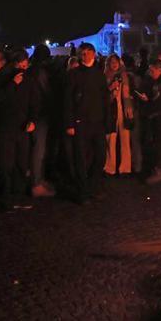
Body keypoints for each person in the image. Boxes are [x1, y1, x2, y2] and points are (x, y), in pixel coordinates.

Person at [63, 43, 111, 203]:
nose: (84, 56)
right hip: (80, 122)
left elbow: (105, 99)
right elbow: (68, 101)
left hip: (97, 122)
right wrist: (69, 123)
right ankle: (83, 192)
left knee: (100, 157)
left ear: (93, 54)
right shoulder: (73, 74)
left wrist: (107, 122)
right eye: (81, 54)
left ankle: (91, 186)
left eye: (87, 53)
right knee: (81, 159)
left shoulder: (99, 74)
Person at [0, 49, 37, 204]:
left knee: (21, 161)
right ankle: (6, 194)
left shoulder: (29, 80)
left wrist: (32, 120)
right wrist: (12, 84)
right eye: (20, 65)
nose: (23, 69)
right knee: (6, 162)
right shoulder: (2, 79)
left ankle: (18, 193)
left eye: (25, 65)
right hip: (6, 126)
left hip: (22, 126)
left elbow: (33, 103)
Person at [27, 44, 56, 197]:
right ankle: (36, 183)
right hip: (40, 113)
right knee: (39, 149)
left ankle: (38, 178)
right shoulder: (40, 72)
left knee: (36, 148)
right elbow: (46, 93)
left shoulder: (30, 69)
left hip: (32, 113)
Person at [103, 54, 133, 177]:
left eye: (116, 62)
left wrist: (129, 107)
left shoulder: (124, 76)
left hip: (123, 110)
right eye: (112, 62)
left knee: (125, 138)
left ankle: (125, 167)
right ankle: (110, 167)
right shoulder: (105, 77)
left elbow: (128, 94)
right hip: (111, 110)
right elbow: (102, 96)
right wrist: (110, 89)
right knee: (111, 138)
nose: (114, 64)